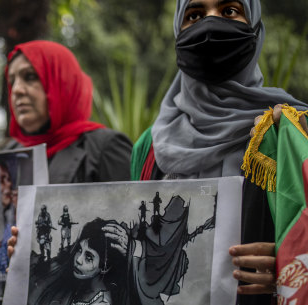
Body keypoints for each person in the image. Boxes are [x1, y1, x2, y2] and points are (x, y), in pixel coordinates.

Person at [129, 0, 308, 304]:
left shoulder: (291, 132)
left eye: (229, 11)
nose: (209, 27)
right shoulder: (149, 147)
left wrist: (292, 270)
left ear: (254, 27)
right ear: (177, 29)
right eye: (194, 15)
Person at [6, 40, 132, 183]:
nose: (16, 90)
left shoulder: (106, 148)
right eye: (11, 82)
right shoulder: (12, 154)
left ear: (63, 83)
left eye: (30, 77)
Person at [29, 218, 133, 305]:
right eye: (79, 250)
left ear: (105, 267)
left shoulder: (102, 303)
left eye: (88, 257)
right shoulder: (78, 289)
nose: (78, 260)